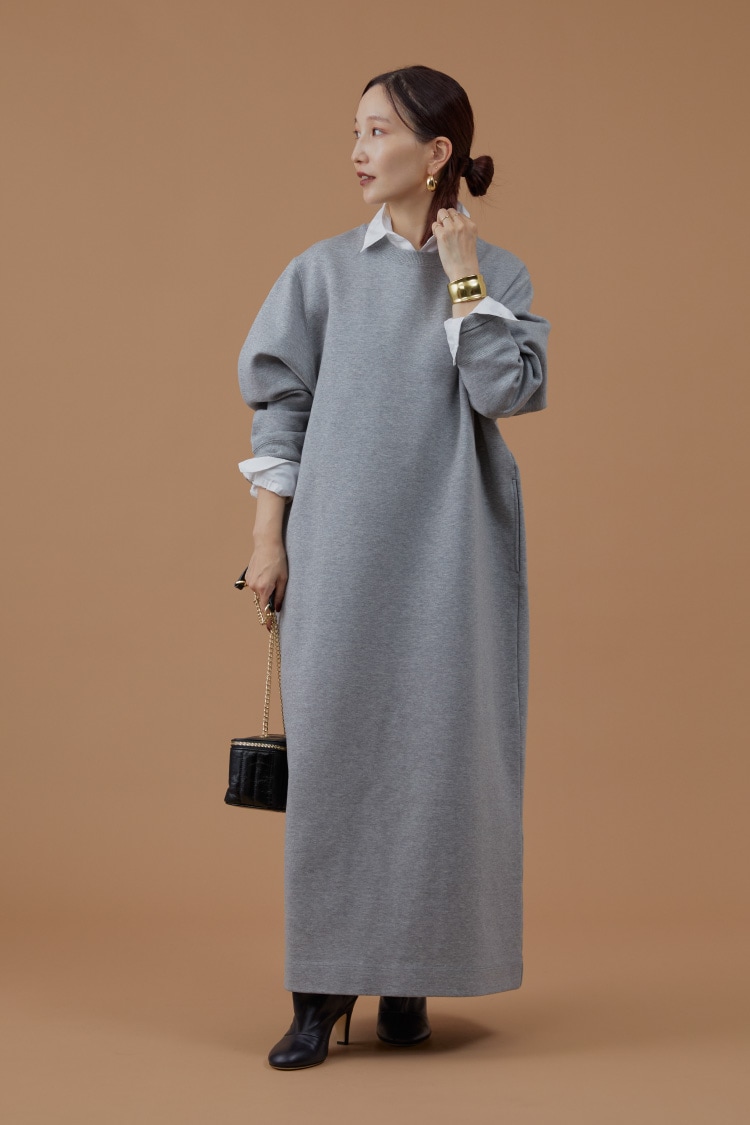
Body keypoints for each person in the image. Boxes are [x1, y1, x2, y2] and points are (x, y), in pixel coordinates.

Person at [236, 64, 551, 1071]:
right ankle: (320, 992)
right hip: (339, 547)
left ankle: (408, 979)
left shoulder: (497, 272)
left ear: (437, 151)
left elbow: (503, 393)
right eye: (358, 130)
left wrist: (462, 280)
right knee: (337, 764)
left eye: (378, 131)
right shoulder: (321, 272)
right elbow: (280, 407)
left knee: (437, 761)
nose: (359, 150)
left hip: (453, 553)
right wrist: (268, 541)